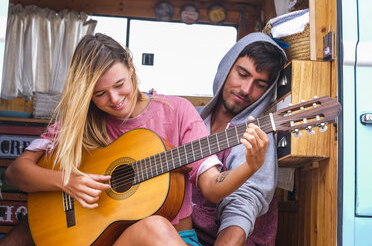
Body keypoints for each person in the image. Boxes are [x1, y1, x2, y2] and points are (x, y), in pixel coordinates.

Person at [3, 33, 270, 246]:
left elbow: (211, 187)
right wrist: (68, 182)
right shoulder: (82, 122)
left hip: (173, 239)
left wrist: (250, 166)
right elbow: (16, 173)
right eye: (100, 94)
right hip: (102, 239)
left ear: (130, 67)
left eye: (119, 85)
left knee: (155, 227)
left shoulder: (177, 111)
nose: (115, 100)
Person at [191, 32, 287, 246]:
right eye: (242, 74)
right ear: (227, 68)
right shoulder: (191, 120)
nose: (246, 89)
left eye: (260, 85)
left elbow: (241, 208)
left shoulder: (256, 135)